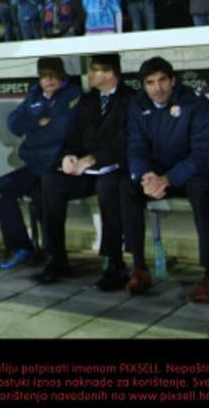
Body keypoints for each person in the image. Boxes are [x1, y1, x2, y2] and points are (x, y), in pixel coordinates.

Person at [122, 57, 209, 300]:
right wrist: (145, 176)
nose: (158, 88)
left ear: (173, 80)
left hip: (189, 173)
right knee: (126, 185)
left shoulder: (195, 103)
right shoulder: (137, 105)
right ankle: (138, 267)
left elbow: (203, 153)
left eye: (162, 80)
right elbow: (135, 147)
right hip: (156, 175)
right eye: (150, 83)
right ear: (143, 86)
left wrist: (168, 178)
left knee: (202, 191)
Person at [38, 54, 136, 288]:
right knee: (51, 180)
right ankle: (56, 257)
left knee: (108, 186)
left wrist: (94, 158)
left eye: (95, 70)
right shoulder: (87, 100)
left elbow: (129, 141)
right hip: (86, 171)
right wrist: (68, 156)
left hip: (116, 168)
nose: (89, 75)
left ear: (110, 73)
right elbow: (73, 136)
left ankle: (114, 263)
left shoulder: (130, 99)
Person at [0, 57, 81, 269]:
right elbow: (13, 124)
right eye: (43, 75)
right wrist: (36, 123)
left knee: (42, 200)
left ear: (62, 75)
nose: (48, 80)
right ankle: (22, 247)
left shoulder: (72, 95)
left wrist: (33, 131)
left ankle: (54, 258)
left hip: (56, 164)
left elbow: (62, 129)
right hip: (34, 164)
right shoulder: (34, 95)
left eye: (53, 75)